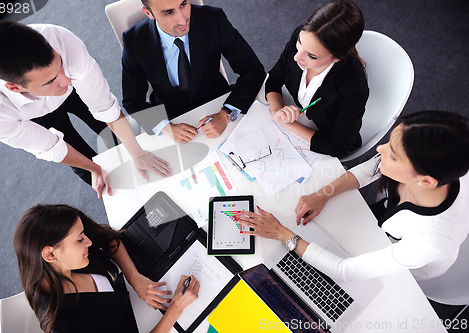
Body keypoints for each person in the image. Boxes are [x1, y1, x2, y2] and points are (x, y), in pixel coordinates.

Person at [238, 110, 469, 282]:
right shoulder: (432, 166)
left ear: (426, 181)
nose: (380, 149)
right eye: (389, 141)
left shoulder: (429, 242)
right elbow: (373, 168)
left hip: (406, 262)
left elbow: (344, 270)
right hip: (389, 219)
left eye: (394, 155)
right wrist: (322, 194)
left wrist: (282, 234)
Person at [0, 21, 172, 199]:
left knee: (114, 133)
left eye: (60, 66)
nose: (66, 80)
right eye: (51, 80)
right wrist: (95, 169)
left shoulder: (62, 41)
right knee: (89, 165)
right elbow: (51, 147)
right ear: (15, 88)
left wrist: (137, 153)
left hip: (73, 91)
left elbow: (105, 107)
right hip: (29, 117)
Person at [13, 204, 199, 333]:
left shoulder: (60, 262)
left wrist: (134, 278)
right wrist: (176, 308)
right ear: (50, 255)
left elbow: (106, 237)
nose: (89, 241)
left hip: (134, 301)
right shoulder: (65, 325)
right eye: (80, 239)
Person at [122, 0, 265, 143]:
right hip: (170, 115)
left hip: (217, 101)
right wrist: (166, 127)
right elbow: (132, 101)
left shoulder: (213, 19)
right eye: (169, 12)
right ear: (149, 13)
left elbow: (253, 70)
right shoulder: (134, 41)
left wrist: (226, 114)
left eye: (183, 4)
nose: (182, 19)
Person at [265, 0, 368, 158]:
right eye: (300, 42)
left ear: (337, 58)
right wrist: (277, 111)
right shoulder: (300, 39)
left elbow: (339, 147)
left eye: (312, 56)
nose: (296, 57)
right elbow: (273, 80)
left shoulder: (353, 85)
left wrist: (287, 123)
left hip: (323, 138)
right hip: (300, 121)